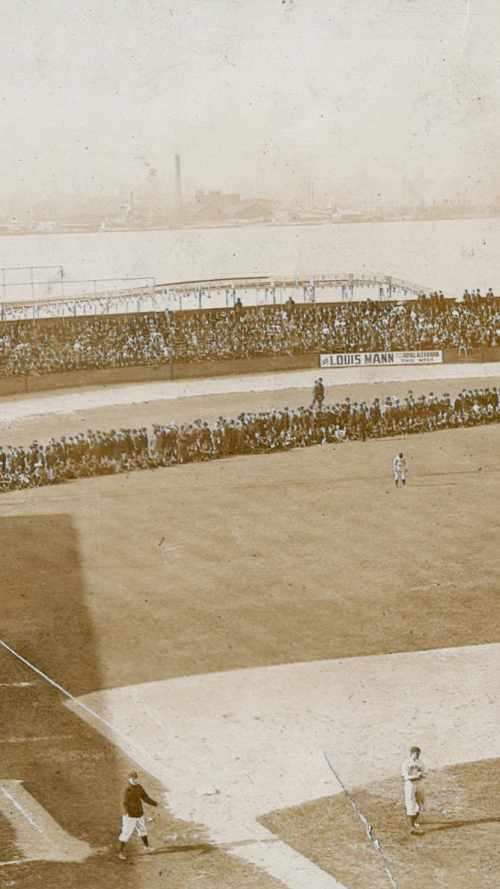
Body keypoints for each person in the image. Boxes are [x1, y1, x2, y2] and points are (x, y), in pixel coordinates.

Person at [118, 771, 160, 859]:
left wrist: (155, 804)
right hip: (130, 816)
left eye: (135, 778)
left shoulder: (139, 787)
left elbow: (145, 797)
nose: (134, 780)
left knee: (142, 830)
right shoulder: (126, 789)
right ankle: (120, 852)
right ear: (128, 779)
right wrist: (126, 813)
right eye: (132, 778)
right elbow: (123, 803)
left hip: (139, 814)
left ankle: (147, 847)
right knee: (126, 833)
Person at [402, 746, 427, 833]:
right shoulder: (406, 763)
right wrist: (415, 776)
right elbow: (405, 777)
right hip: (410, 784)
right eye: (416, 754)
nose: (418, 756)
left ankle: (414, 820)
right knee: (410, 802)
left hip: (419, 783)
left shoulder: (420, 762)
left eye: (419, 754)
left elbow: (425, 773)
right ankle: (411, 826)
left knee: (421, 803)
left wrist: (421, 774)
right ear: (412, 753)